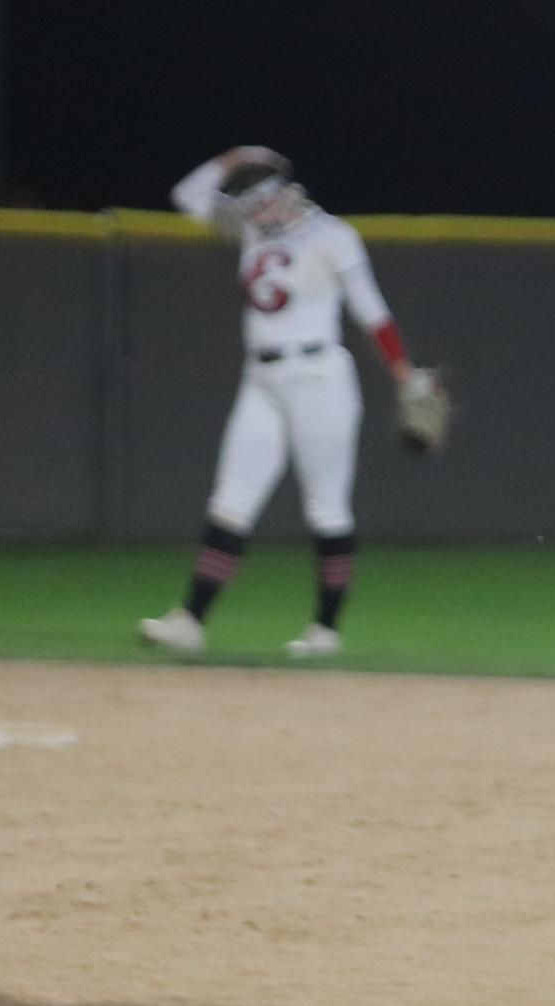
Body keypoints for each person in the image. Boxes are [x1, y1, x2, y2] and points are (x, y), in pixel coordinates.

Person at [138, 147, 420, 658]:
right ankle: (190, 620)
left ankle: (325, 630)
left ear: (282, 196)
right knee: (231, 499)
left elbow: (372, 312)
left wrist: (403, 374)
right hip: (261, 379)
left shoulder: (333, 236)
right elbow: (187, 196)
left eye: (255, 205)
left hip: (320, 378)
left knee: (325, 505)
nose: (248, 216)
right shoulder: (252, 229)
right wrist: (232, 158)